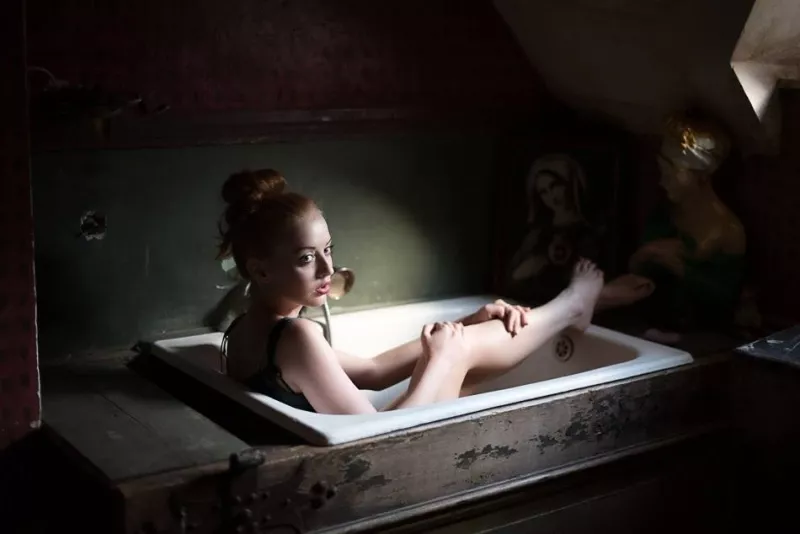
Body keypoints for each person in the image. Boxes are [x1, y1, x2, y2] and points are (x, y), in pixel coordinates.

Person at [217, 169, 604, 415]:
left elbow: (373, 371)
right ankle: (572, 305)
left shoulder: (244, 330)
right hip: (377, 470)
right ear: (261, 270)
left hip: (355, 463)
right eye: (306, 258)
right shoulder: (297, 336)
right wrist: (441, 359)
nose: (328, 269)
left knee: (463, 346)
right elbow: (377, 438)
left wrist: (466, 321)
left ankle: (572, 306)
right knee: (460, 352)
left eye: (328, 250)